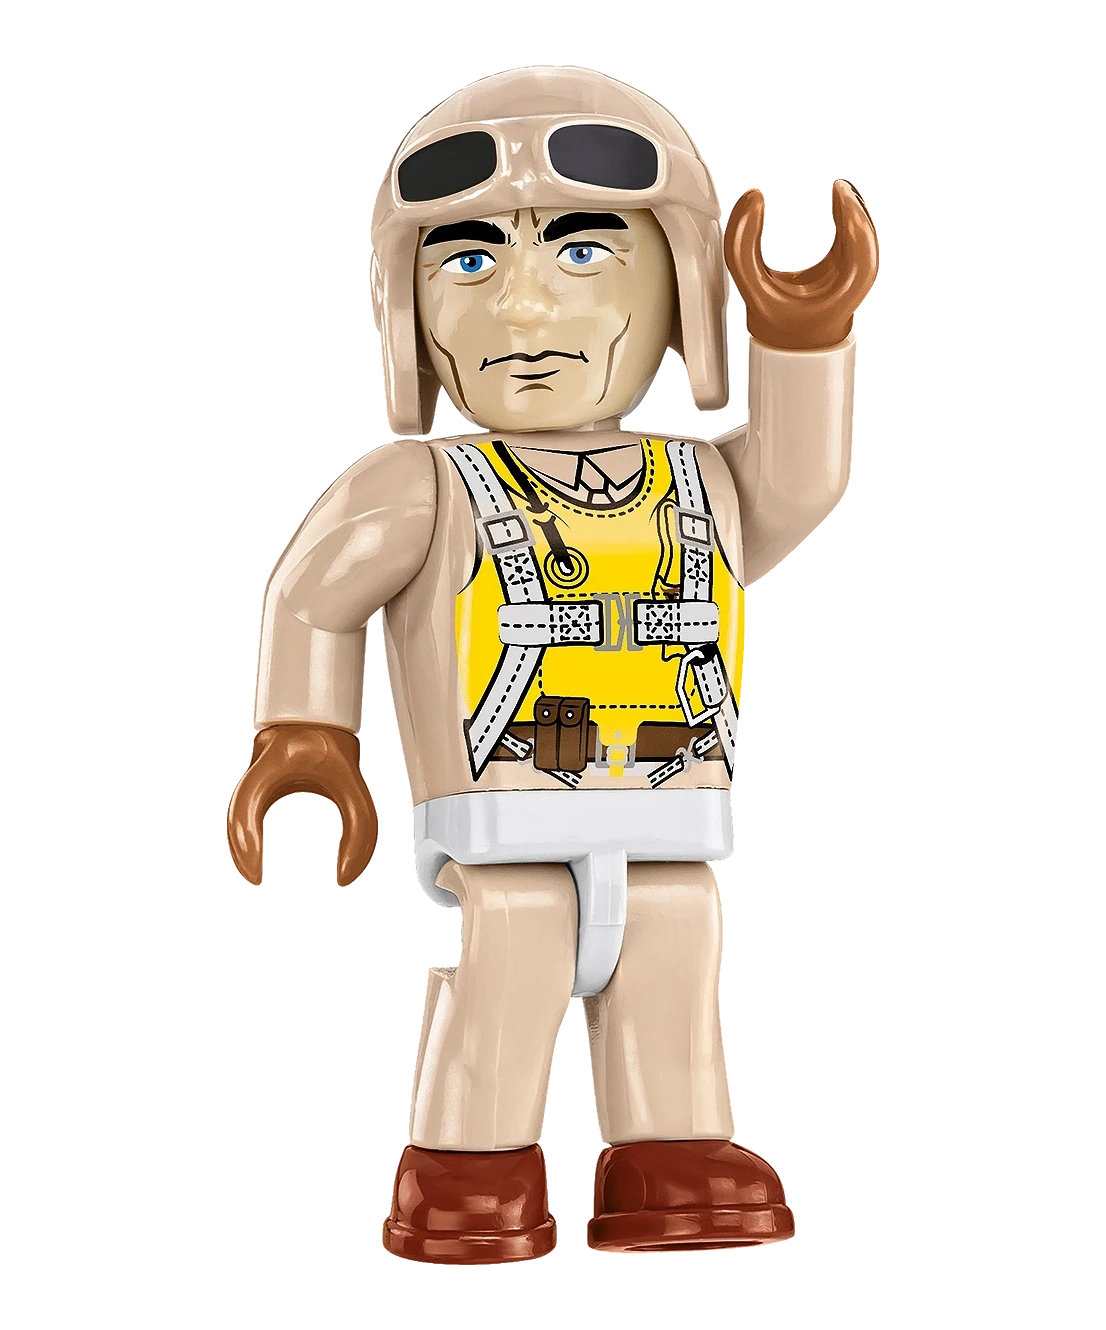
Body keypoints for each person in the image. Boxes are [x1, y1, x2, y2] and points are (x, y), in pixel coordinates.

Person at [227, 65, 878, 1263]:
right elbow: (312, 600)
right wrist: (305, 736)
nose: (522, 308)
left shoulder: (705, 479)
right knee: (514, 942)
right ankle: (465, 1166)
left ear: (678, 289)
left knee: (673, 941)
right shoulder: (423, 485)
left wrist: (801, 336)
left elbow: (802, 476)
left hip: (666, 796)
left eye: (581, 252)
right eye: (468, 260)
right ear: (407, 310)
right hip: (502, 812)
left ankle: (670, 1152)